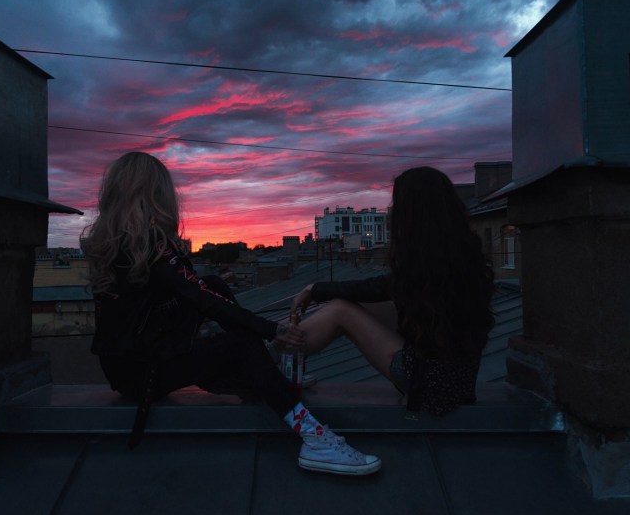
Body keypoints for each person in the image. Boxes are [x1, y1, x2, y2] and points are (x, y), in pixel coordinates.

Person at [80, 151, 380, 475]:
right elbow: (202, 300)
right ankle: (314, 438)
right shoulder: (149, 244)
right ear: (156, 193)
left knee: (214, 285)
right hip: (147, 374)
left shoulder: (115, 243)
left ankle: (260, 368)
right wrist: (272, 330)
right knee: (236, 343)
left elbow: (201, 293)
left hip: (128, 369)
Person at [289, 166, 495, 416]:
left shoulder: (434, 263)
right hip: (454, 383)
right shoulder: (457, 256)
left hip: (428, 383)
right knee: (357, 304)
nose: (392, 210)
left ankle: (272, 362)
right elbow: (386, 289)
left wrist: (317, 288)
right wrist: (322, 290)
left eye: (397, 202)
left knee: (340, 310)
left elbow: (382, 286)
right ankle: (279, 357)